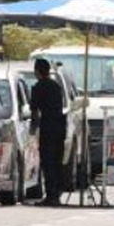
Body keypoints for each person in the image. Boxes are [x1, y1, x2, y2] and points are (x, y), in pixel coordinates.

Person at [30, 58, 66, 207]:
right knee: (57, 160)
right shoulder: (56, 86)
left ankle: (51, 195)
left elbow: (34, 111)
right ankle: (57, 193)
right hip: (60, 126)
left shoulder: (38, 87)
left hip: (48, 127)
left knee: (47, 161)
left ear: (37, 71)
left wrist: (33, 129)